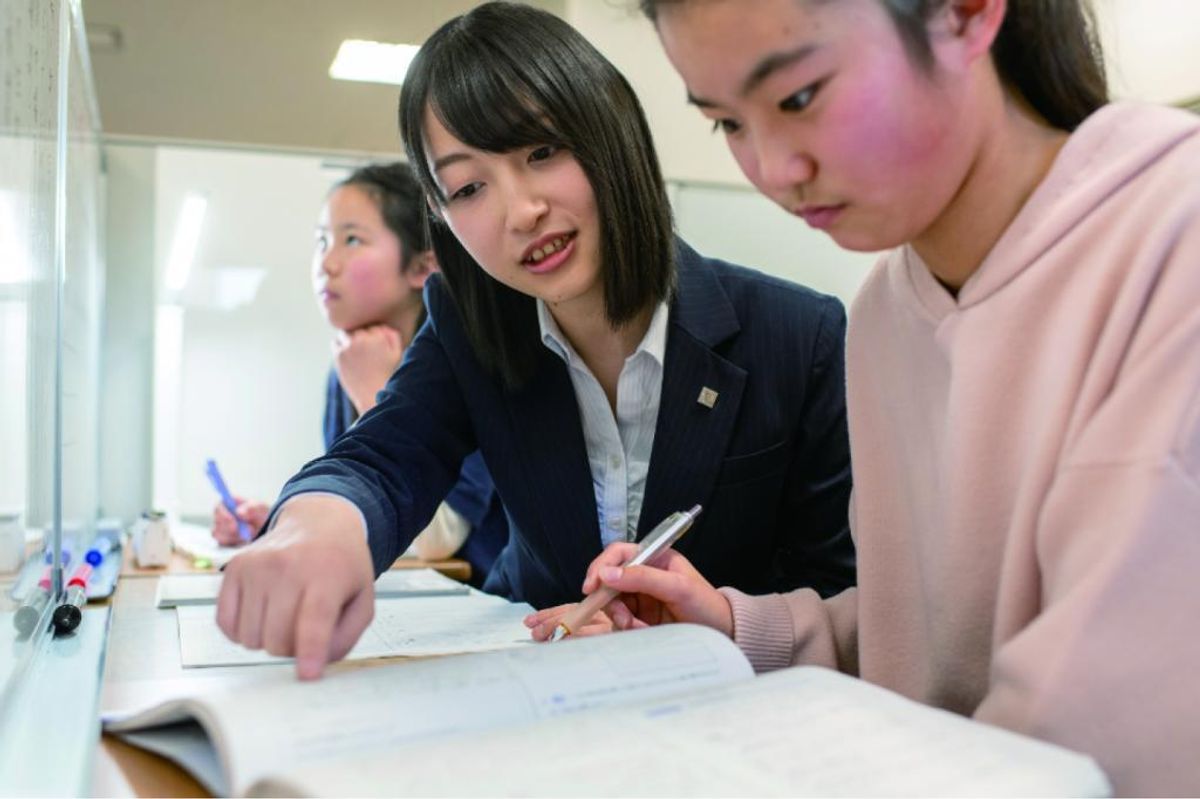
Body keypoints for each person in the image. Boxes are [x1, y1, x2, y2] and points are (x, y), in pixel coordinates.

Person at [525, 0, 1200, 793]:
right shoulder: (888, 305)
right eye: (727, 124)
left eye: (799, 97)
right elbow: (933, 644)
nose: (775, 170)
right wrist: (740, 628)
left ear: (966, 14)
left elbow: (1100, 721)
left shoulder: (1171, 243)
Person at [216, 1, 857, 680]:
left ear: (611, 132)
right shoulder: (469, 325)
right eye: (467, 187)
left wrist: (717, 623)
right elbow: (383, 457)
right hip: (543, 702)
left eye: (543, 152)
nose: (521, 211)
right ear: (441, 216)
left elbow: (839, 593)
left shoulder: (798, 334)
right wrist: (316, 525)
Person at [210, 163, 509, 586]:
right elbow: (367, 498)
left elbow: (435, 540)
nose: (326, 263)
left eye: (352, 240)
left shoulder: (466, 358)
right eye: (321, 241)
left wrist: (375, 393)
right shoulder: (346, 363)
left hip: (492, 610)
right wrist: (289, 521)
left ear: (424, 266)